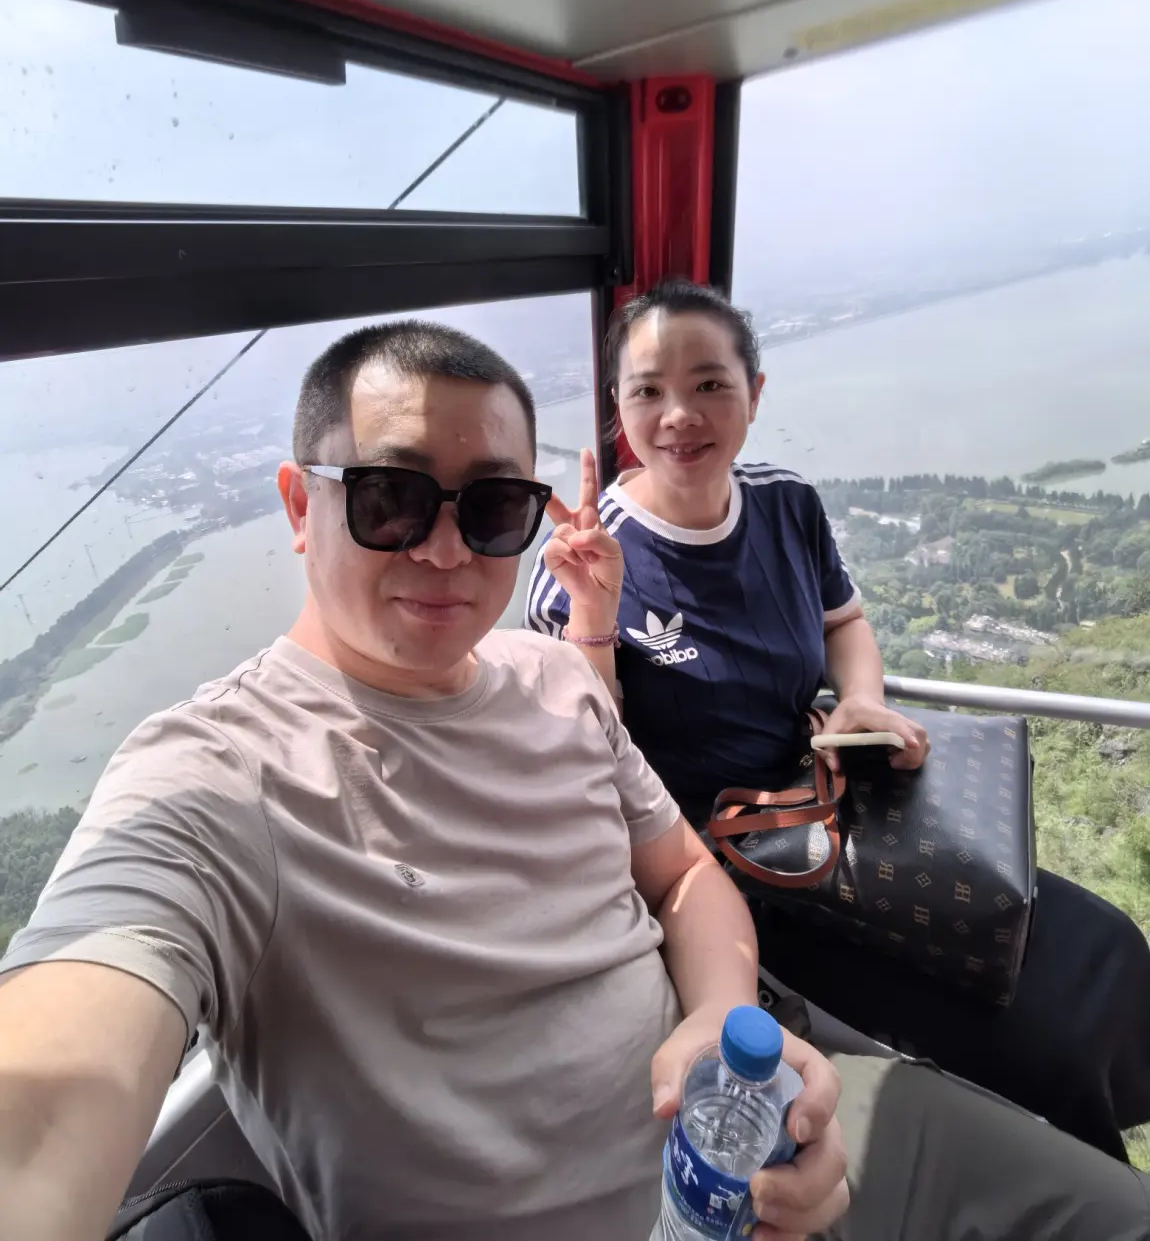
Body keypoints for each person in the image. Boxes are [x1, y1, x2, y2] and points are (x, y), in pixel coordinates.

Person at [1, 320, 1146, 1241]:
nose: (444, 549)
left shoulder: (555, 679)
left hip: (764, 1156)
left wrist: (721, 1015)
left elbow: (684, 877)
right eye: (391, 498)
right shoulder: (216, 775)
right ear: (303, 508)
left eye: (492, 506)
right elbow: (43, 1108)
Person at [526, 277, 1150, 1161]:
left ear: (754, 393)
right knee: (1027, 1040)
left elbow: (843, 621)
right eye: (648, 390)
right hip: (719, 871)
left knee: (1102, 950)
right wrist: (594, 614)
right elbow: (592, 762)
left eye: (709, 383)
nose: (679, 414)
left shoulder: (785, 503)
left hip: (830, 806)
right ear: (618, 407)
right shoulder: (583, 561)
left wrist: (862, 697)